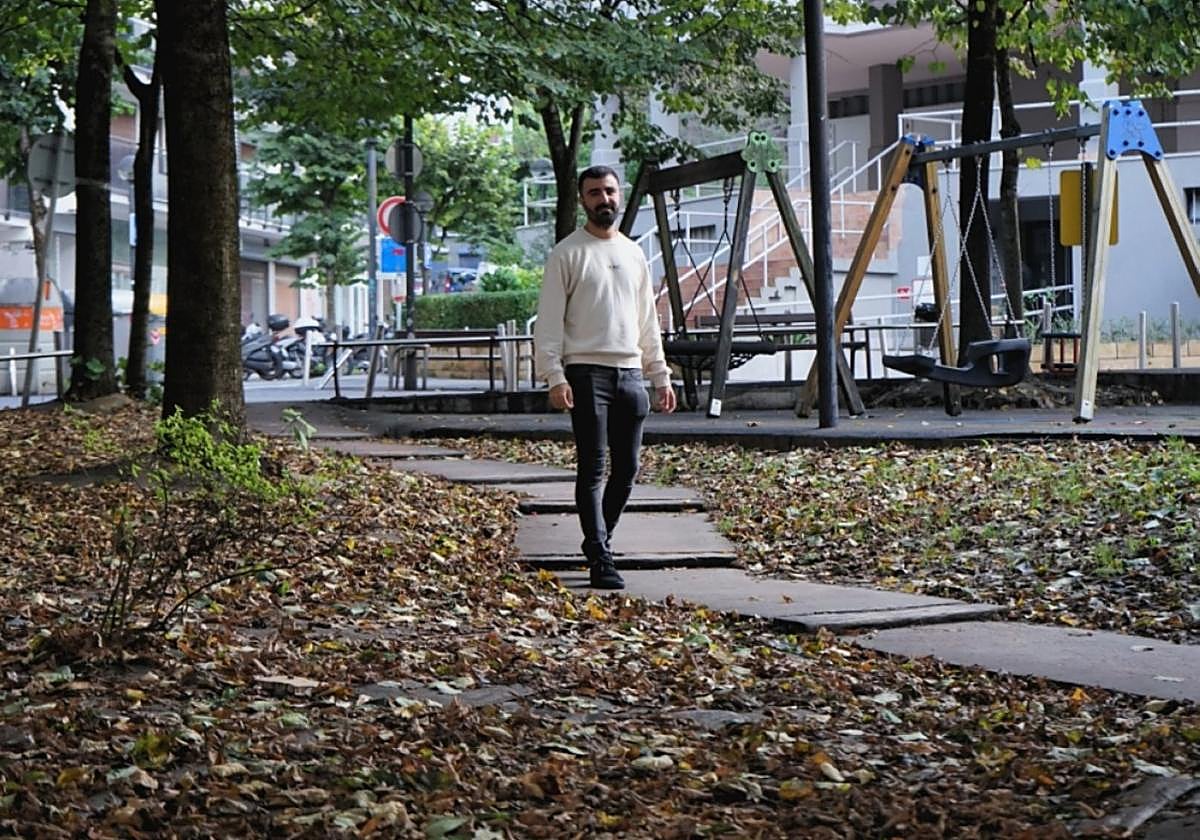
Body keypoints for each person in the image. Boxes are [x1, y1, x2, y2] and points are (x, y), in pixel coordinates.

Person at [533, 165, 677, 590]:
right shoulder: (567, 253)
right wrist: (554, 377)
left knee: (628, 469)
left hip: (631, 373)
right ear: (583, 200)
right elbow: (548, 324)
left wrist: (660, 375)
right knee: (593, 467)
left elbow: (648, 322)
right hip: (584, 373)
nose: (604, 199)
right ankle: (600, 558)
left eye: (610, 191)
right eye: (595, 192)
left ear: (619, 194)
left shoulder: (634, 253)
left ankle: (599, 541)